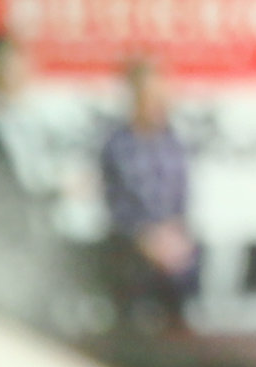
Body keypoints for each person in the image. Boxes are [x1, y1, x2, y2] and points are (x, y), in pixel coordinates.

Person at [0, 30, 63, 332]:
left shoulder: (31, 119)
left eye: (23, 64)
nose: (21, 72)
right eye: (11, 65)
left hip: (37, 234)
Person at [97, 58, 195, 328]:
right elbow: (117, 206)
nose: (160, 103)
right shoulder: (116, 146)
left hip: (171, 240)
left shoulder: (174, 142)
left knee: (188, 263)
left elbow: (182, 200)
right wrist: (148, 238)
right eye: (151, 96)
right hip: (132, 243)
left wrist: (175, 234)